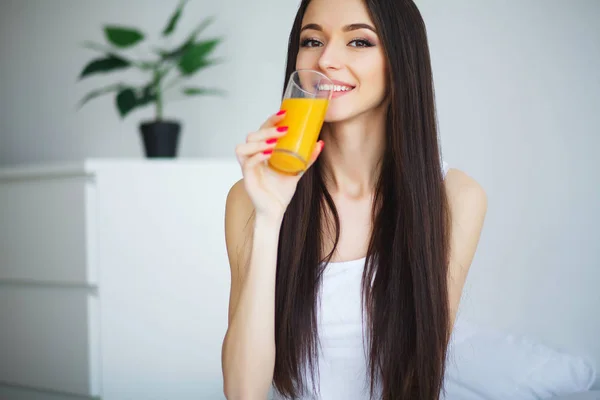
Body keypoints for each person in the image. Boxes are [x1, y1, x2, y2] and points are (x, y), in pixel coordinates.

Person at [221, 0, 487, 398]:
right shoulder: (250, 197)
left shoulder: (456, 199)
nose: (327, 59)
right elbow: (243, 392)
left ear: (401, 59)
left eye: (359, 42)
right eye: (312, 40)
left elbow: (419, 377)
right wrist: (269, 217)